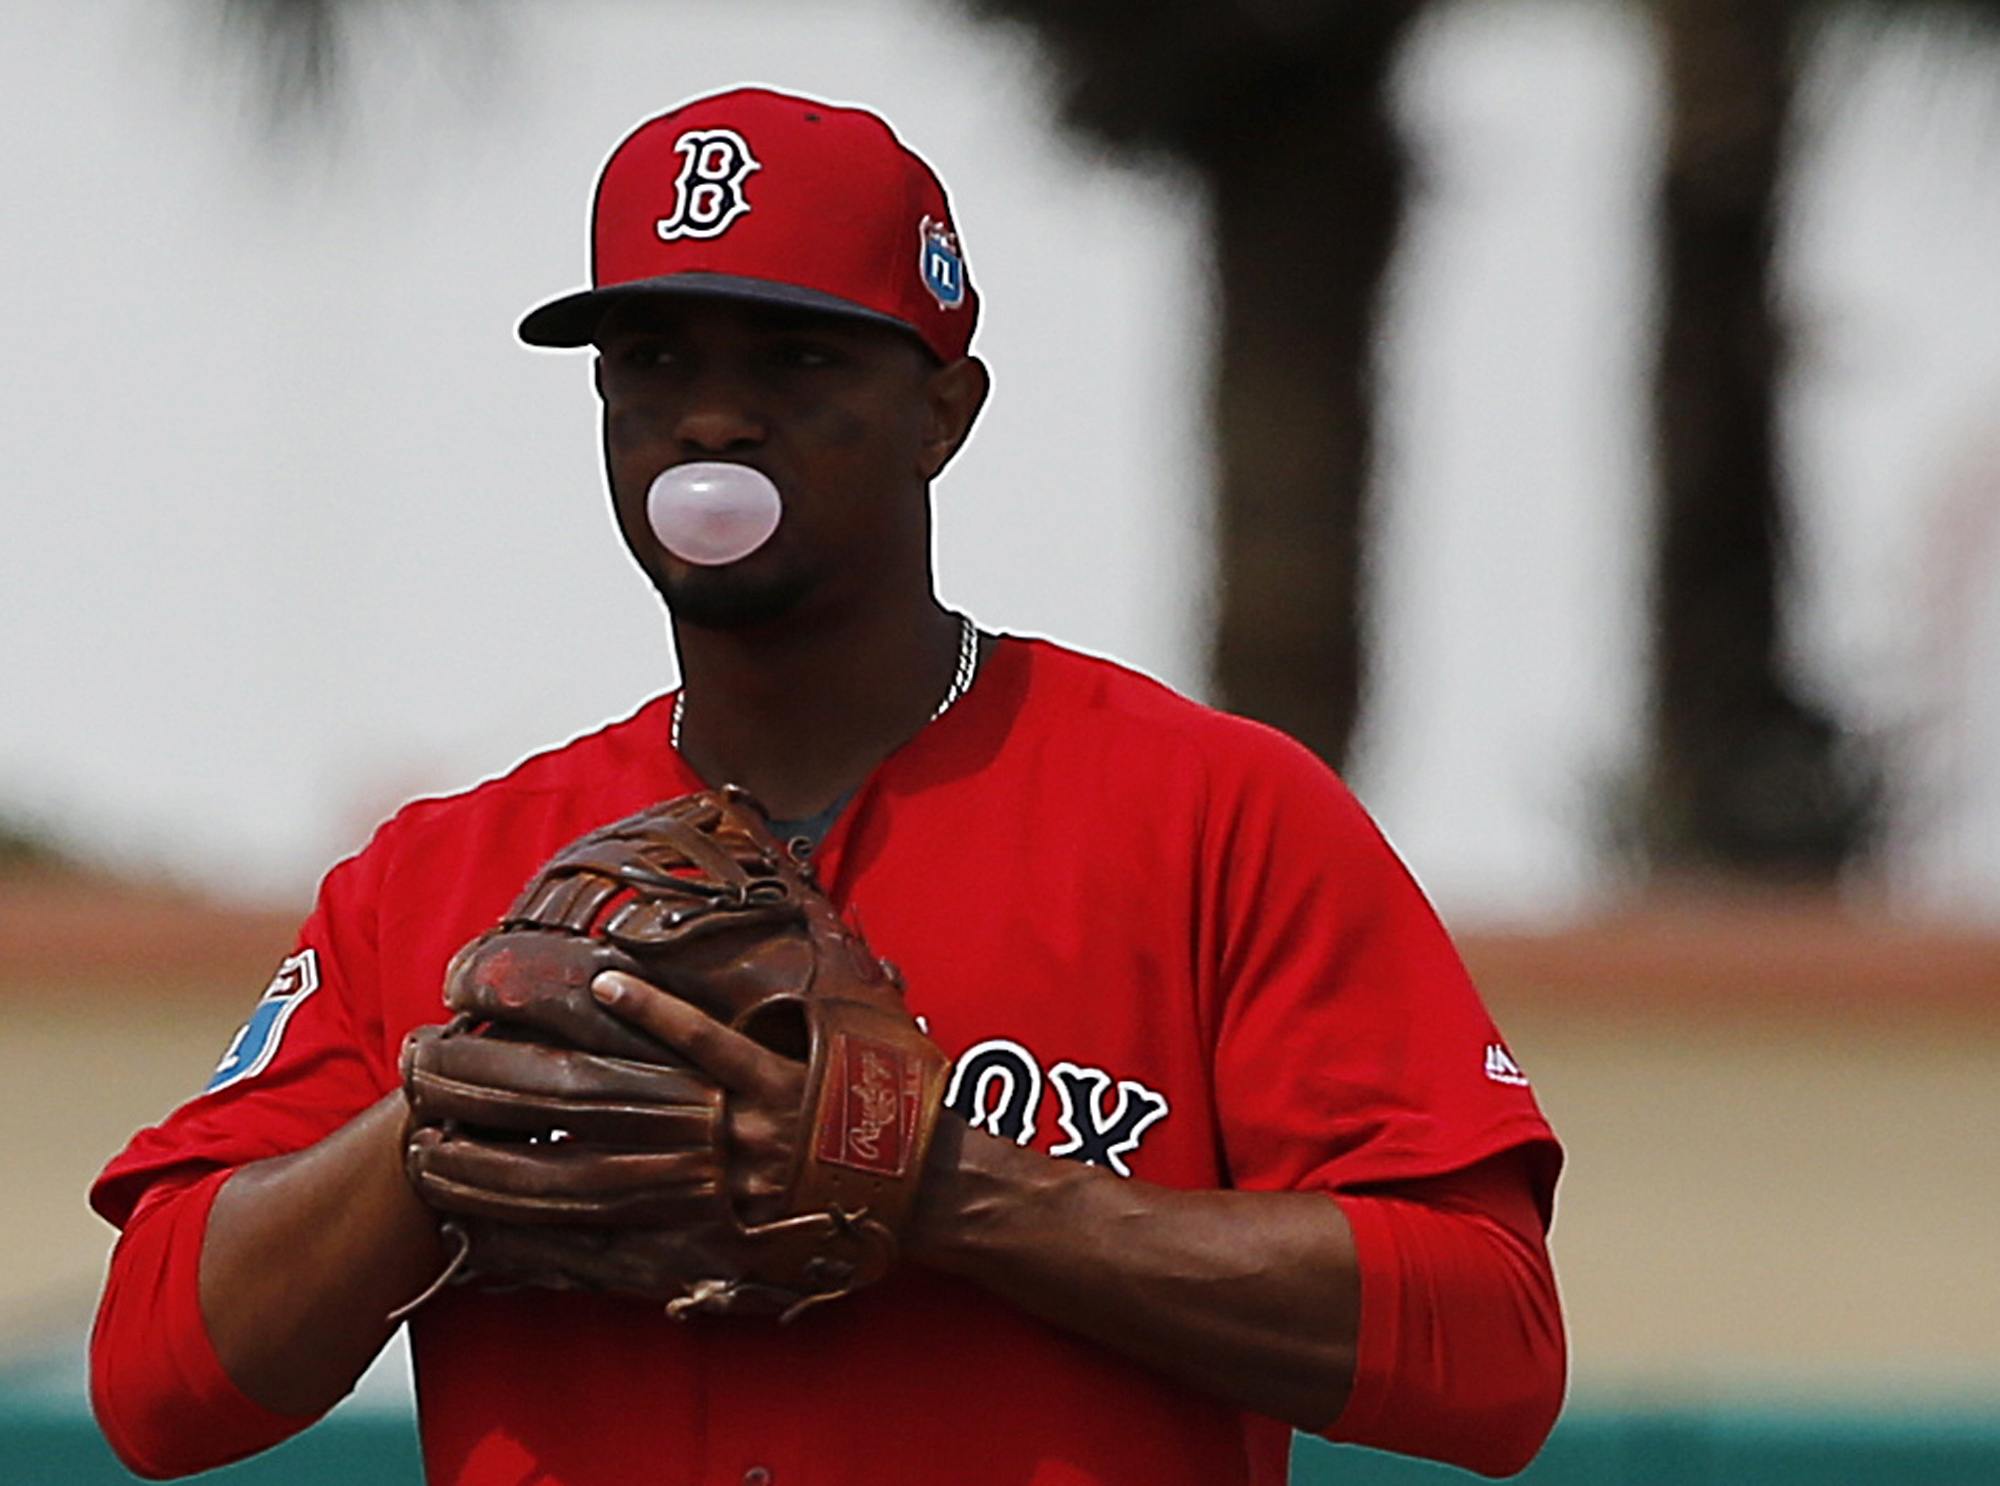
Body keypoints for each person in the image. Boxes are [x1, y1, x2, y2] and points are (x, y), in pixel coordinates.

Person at [89, 86, 1565, 1486]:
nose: (713, 422)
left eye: (794, 357)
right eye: (657, 361)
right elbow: (154, 1381)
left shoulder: (1214, 813)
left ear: (944, 410)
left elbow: (1492, 1345)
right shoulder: (446, 878)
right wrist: (431, 1145)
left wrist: (946, 1191)